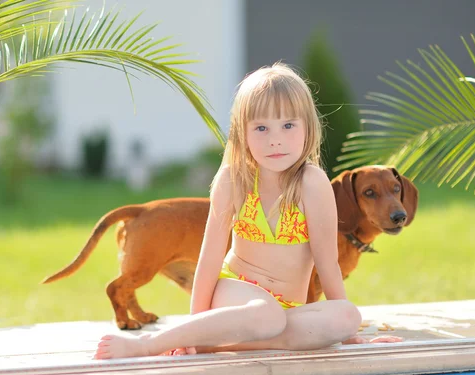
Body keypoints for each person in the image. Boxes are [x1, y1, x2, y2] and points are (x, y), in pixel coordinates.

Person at [94, 63, 401, 359]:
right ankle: (151, 344)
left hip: (287, 312)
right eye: (262, 127)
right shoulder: (233, 180)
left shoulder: (312, 182)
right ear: (242, 132)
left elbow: (327, 262)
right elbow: (210, 259)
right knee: (266, 316)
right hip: (235, 293)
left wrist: (350, 337)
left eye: (288, 125)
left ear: (308, 127)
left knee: (346, 315)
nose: (275, 139)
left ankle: (217, 344)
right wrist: (193, 325)